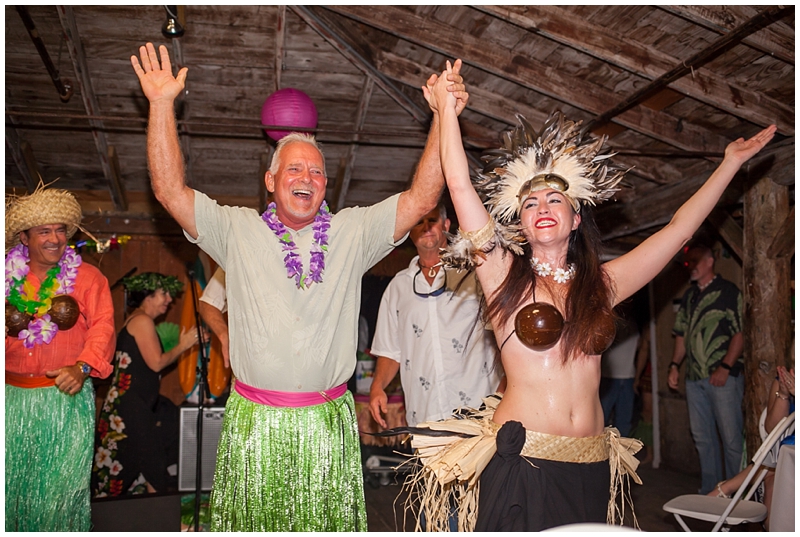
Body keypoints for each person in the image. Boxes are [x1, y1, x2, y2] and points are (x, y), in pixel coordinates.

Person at [418, 61, 776, 531]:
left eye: (553, 201)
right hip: (524, 460)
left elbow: (677, 230)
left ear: (574, 218)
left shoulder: (603, 285)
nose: (541, 208)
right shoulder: (503, 275)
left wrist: (729, 163)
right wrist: (446, 110)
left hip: (590, 463)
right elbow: (460, 185)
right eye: (529, 204)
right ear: (520, 226)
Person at [130, 42, 469, 531]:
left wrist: (442, 115)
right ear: (270, 180)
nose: (307, 177)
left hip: (327, 426)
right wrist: (161, 104)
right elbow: (168, 191)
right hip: (256, 425)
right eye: (294, 168)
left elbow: (422, 198)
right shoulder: (237, 230)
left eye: (317, 171)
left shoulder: (353, 231)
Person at [5, 185, 116, 531]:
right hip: (10, 403)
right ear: (24, 237)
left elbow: (103, 328)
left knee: (58, 497)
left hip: (64, 402)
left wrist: (82, 367)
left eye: (60, 230)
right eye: (44, 231)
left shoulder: (88, 279)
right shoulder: (5, 280)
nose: (55, 238)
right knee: (11, 495)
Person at [370, 203, 502, 430]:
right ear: (409, 231)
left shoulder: (474, 274)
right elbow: (390, 351)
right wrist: (377, 387)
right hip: (424, 415)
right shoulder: (397, 287)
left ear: (446, 224)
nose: (426, 227)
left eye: (432, 220)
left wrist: (505, 390)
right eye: (418, 222)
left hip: (479, 412)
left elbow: (503, 335)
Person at [92, 272, 204, 496]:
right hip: (131, 407)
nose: (169, 300)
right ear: (148, 296)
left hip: (132, 405)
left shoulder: (137, 319)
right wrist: (185, 344)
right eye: (163, 294)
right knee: (151, 459)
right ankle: (163, 521)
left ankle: (150, 517)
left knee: (141, 460)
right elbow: (157, 363)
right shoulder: (142, 320)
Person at [668, 241, 745, 494]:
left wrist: (725, 366)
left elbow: (740, 334)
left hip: (724, 377)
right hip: (694, 378)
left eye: (696, 262)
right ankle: (710, 492)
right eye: (688, 263)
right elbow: (681, 334)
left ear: (710, 261)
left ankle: (735, 493)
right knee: (703, 439)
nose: (690, 267)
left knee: (731, 439)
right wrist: (674, 365)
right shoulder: (690, 296)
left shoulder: (728, 291)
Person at [708, 366, 794, 529]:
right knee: (772, 515)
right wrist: (783, 394)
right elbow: (772, 430)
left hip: (781, 460)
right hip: (781, 460)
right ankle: (726, 488)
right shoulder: (783, 381)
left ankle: (726, 487)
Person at [599, 303, 645, 438]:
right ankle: (602, 456)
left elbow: (641, 348)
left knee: (624, 421)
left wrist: (637, 377)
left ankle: (622, 456)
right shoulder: (608, 323)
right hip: (609, 377)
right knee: (602, 420)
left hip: (628, 377)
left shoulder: (634, 325)